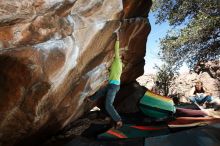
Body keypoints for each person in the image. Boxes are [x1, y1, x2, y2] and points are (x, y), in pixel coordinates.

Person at [86, 31, 123, 129]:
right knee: (101, 91)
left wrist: (118, 38)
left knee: (108, 105)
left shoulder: (118, 61)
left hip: (114, 86)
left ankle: (118, 120)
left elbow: (116, 50)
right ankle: (92, 99)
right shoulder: (116, 66)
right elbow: (111, 72)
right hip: (112, 85)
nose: (117, 56)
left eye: (118, 56)